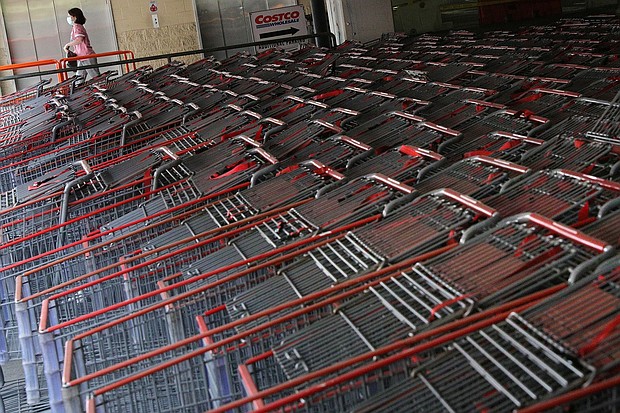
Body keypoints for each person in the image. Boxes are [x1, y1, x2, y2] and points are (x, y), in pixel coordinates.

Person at [64, 8, 100, 83]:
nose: (68, 18)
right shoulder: (76, 27)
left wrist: (67, 45)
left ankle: (105, 90)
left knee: (96, 77)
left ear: (75, 17)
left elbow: (79, 40)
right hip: (81, 56)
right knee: (79, 79)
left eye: (69, 16)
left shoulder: (77, 27)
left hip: (86, 56)